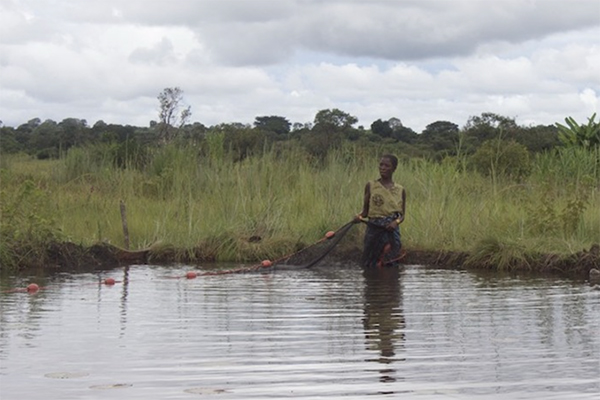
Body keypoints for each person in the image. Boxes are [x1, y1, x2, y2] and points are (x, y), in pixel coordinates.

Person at [354, 154, 406, 268]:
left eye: (387, 165)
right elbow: (365, 212)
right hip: (374, 228)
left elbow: (402, 216)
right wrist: (358, 217)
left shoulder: (400, 190)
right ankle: (372, 284)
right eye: (381, 165)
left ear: (394, 168)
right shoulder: (371, 186)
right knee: (370, 261)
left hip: (391, 230)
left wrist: (395, 223)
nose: (383, 168)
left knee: (390, 260)